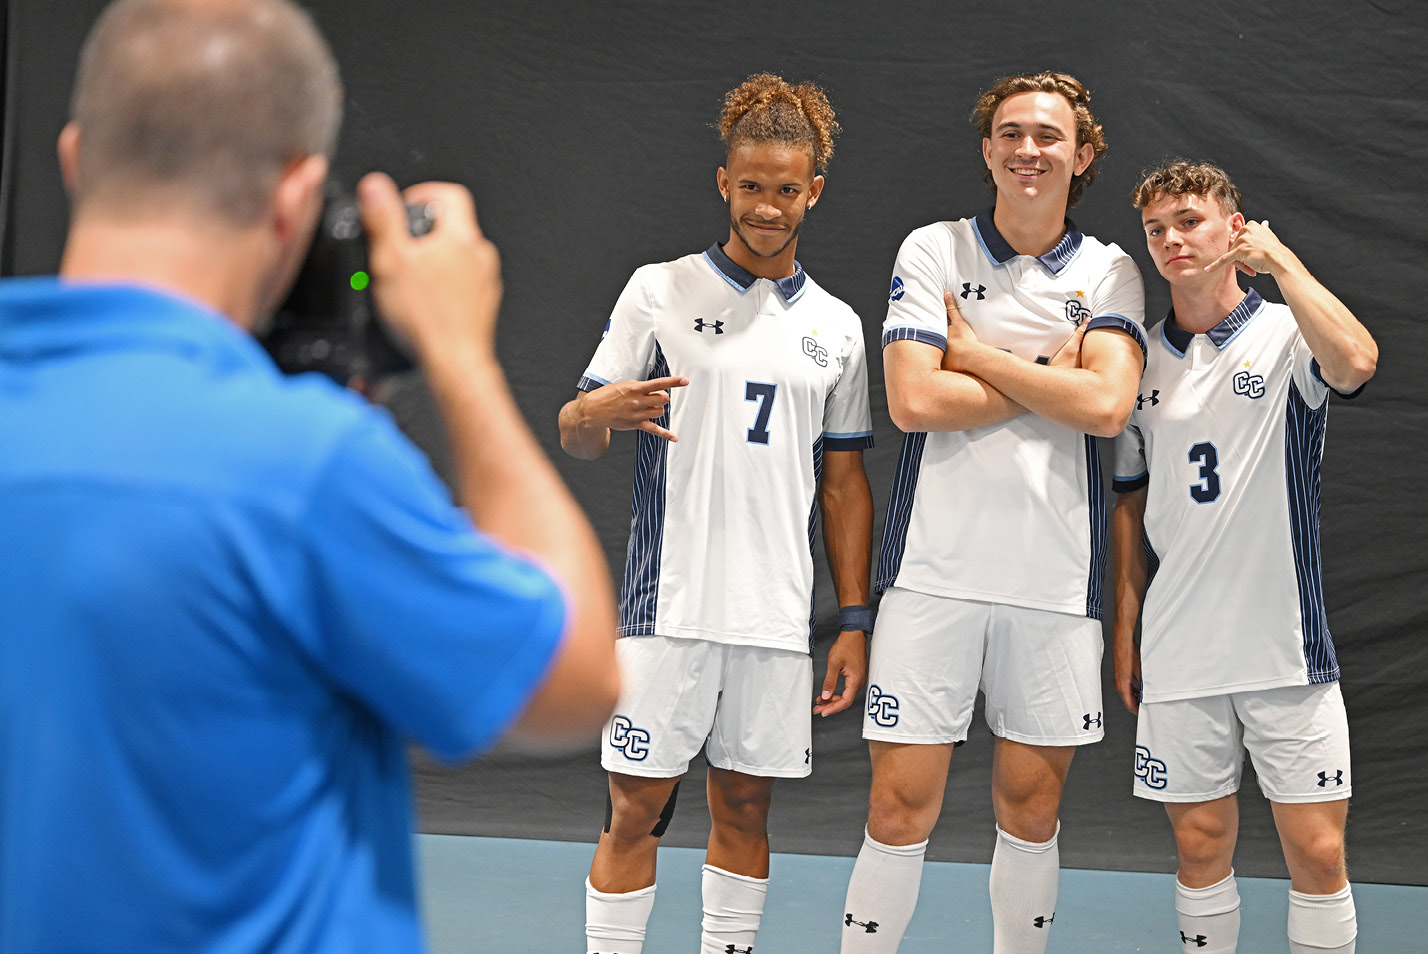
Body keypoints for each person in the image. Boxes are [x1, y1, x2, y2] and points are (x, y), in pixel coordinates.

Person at [0, 2, 620, 953]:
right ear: (295, 199)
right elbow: (575, 675)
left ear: (77, 156)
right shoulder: (301, 467)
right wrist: (460, 356)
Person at [559, 73, 875, 954]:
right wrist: (596, 414)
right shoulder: (658, 291)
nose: (766, 206)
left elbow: (845, 484)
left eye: (785, 189)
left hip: (775, 615)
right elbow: (576, 431)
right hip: (671, 604)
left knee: (744, 806)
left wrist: (852, 619)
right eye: (750, 186)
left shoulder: (840, 329)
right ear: (723, 182)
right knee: (636, 808)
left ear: (812, 191)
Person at [840, 71, 1148, 954]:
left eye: (1048, 136)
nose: (1028, 150)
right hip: (932, 579)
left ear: (1081, 154)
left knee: (1033, 809)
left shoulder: (1111, 270)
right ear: (987, 149)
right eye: (1011, 133)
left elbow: (1107, 411)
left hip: (1054, 586)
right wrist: (1054, 370)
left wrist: (974, 356)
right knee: (898, 809)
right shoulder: (933, 248)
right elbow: (910, 401)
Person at [1111, 160, 1376, 954]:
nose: (1171, 240)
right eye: (1156, 228)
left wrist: (1284, 262)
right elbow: (1130, 505)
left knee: (1319, 853)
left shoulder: (1287, 331)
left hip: (1281, 647)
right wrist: (1127, 625)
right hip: (1179, 646)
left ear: (1234, 228)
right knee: (1197, 850)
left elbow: (1358, 362)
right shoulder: (1138, 361)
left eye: (1189, 220)